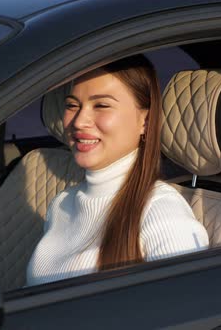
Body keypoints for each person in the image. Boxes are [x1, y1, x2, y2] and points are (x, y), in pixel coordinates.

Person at [26, 55, 209, 286]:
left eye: (101, 105)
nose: (79, 121)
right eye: (72, 105)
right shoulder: (62, 203)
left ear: (145, 120)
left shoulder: (162, 214)